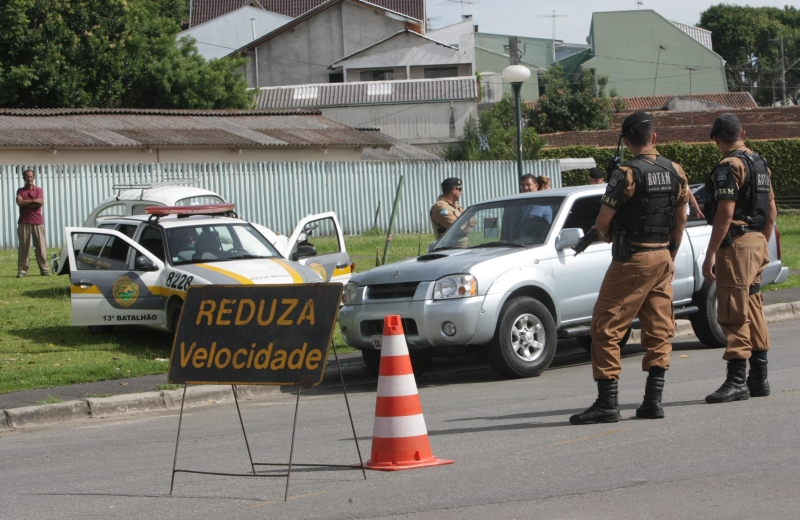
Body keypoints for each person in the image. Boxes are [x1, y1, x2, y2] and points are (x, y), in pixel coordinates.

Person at [570, 112, 689, 425]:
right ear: (655, 137)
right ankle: (653, 401)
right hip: (663, 256)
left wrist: (609, 236)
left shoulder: (625, 174)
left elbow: (603, 223)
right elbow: (681, 220)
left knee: (605, 327)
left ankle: (607, 403)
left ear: (625, 141)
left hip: (632, 259)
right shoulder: (676, 170)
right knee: (659, 328)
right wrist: (670, 254)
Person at [702, 113, 777, 403]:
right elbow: (771, 211)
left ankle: (737, 380)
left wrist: (710, 253)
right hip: (757, 240)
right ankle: (759, 378)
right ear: (743, 132)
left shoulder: (729, 165)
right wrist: (761, 243)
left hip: (737, 242)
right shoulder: (760, 162)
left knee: (733, 311)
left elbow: (725, 213)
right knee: (754, 307)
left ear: (716, 138)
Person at [16, 169, 50, 278]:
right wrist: (34, 201)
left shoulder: (39, 190)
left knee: (41, 247)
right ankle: (22, 270)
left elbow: (40, 203)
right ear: (24, 178)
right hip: (24, 222)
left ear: (33, 177)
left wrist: (27, 204)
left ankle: (44, 269)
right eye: (27, 177)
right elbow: (19, 202)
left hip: (38, 222)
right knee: (24, 248)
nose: (29, 179)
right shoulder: (20, 191)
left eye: (31, 176)